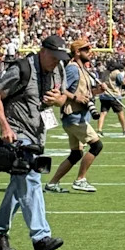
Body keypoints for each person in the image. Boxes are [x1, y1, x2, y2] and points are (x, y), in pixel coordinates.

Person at [0, 34, 70, 250]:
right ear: (42, 52)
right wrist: (5, 128)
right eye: (53, 57)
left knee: (18, 183)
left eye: (60, 58)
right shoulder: (21, 69)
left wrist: (57, 100)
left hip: (39, 133)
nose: (56, 62)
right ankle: (40, 237)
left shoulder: (58, 69)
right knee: (31, 176)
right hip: (17, 132)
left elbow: (63, 97)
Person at [46, 38, 107, 194]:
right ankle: (80, 179)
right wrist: (75, 98)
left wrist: (96, 92)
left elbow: (82, 93)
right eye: (86, 50)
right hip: (74, 116)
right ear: (77, 52)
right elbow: (60, 90)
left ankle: (52, 183)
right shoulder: (73, 69)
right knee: (97, 145)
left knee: (76, 154)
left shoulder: (82, 69)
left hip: (77, 116)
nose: (90, 52)